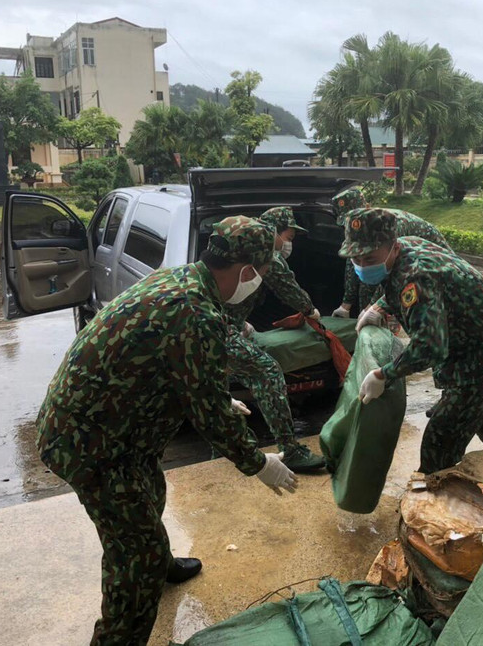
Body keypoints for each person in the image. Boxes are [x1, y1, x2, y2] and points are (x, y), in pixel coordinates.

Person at [36, 215, 297, 645]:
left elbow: (184, 374)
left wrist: (210, 395)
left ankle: (160, 563)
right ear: (247, 271)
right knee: (130, 555)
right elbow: (210, 416)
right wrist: (258, 463)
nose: (260, 283)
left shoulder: (184, 280)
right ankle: (122, 627)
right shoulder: (194, 311)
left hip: (111, 426)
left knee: (149, 492)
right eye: (262, 274)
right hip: (91, 444)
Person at [339, 208, 483, 473]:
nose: (362, 265)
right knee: (474, 404)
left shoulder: (416, 277)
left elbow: (430, 346)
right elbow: (397, 287)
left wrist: (384, 374)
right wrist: (381, 306)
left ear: (393, 246)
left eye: (370, 258)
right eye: (355, 258)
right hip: (470, 340)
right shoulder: (407, 247)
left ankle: (432, 488)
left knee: (441, 435)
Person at [224, 206, 326, 472]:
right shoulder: (265, 251)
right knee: (267, 371)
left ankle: (222, 448)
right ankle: (290, 450)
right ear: (275, 232)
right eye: (289, 238)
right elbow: (287, 288)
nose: (289, 244)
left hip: (218, 324)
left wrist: (238, 322)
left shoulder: (242, 246)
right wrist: (309, 310)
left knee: (217, 386)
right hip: (217, 329)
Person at [330, 189, 453, 318]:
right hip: (406, 260)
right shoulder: (360, 230)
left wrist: (372, 308)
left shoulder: (388, 227)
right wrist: (345, 305)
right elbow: (353, 262)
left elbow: (394, 276)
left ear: (366, 207)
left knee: (415, 303)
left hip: (433, 259)